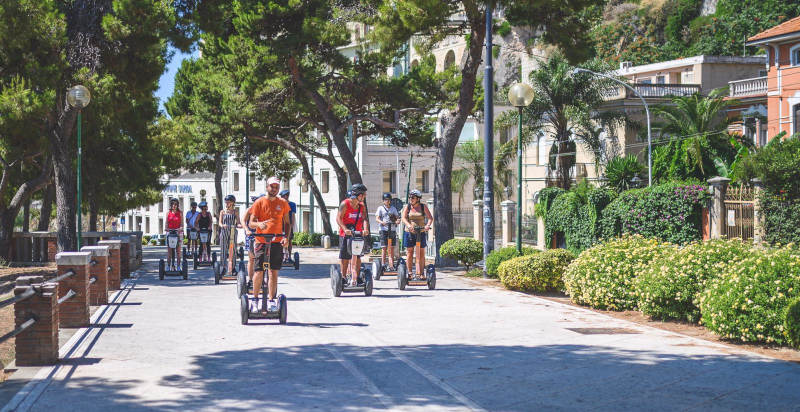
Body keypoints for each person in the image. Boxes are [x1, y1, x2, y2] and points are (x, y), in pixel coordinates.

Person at [248, 177, 290, 313]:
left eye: (276, 187)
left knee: (273, 272)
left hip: (276, 241)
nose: (274, 189)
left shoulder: (283, 203)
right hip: (261, 241)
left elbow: (287, 223)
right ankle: (255, 300)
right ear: (267, 187)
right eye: (272, 186)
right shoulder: (259, 202)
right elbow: (251, 223)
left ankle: (271, 300)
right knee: (259, 271)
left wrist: (286, 237)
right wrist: (258, 224)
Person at [337, 183, 370, 287]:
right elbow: (338, 218)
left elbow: (364, 219)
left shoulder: (361, 206)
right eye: (363, 195)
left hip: (358, 234)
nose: (364, 196)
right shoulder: (345, 204)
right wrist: (345, 229)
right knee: (345, 257)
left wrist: (365, 229)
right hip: (345, 235)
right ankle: (343, 277)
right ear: (358, 195)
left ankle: (357, 277)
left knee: (358, 256)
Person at [400, 189, 433, 278]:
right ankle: (410, 273)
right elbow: (403, 218)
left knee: (421, 253)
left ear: (418, 199)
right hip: (409, 232)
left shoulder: (423, 207)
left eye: (413, 197)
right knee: (409, 252)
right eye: (410, 197)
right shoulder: (408, 207)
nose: (411, 199)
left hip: (421, 232)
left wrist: (427, 226)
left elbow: (430, 218)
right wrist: (409, 225)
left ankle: (421, 273)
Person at [241, 194, 265, 289]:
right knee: (252, 258)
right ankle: (251, 280)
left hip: (262, 236)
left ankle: (262, 279)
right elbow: (243, 221)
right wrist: (247, 230)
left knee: (263, 259)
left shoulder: (265, 210)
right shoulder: (250, 209)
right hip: (251, 236)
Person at [218, 195, 242, 274]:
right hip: (224, 232)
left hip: (233, 231)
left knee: (233, 250)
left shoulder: (235, 212)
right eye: (226, 202)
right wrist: (222, 225)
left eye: (228, 202)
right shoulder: (223, 212)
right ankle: (223, 268)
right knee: (223, 250)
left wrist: (240, 226)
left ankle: (233, 268)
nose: (227, 203)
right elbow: (220, 223)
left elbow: (238, 222)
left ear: (232, 203)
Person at [376, 193, 399, 268]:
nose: (387, 201)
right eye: (386, 200)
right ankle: (383, 264)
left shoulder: (393, 208)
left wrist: (397, 221)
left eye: (389, 200)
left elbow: (397, 218)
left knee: (391, 247)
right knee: (384, 247)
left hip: (392, 229)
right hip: (383, 229)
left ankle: (391, 264)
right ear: (383, 201)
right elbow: (377, 218)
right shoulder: (380, 208)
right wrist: (382, 222)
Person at [164, 198, 184, 271]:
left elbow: (182, 224)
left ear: (177, 205)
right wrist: (166, 228)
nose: (174, 206)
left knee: (178, 251)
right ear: (171, 205)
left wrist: (180, 228)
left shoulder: (180, 213)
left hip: (177, 233)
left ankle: (178, 266)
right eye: (172, 204)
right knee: (169, 251)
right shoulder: (168, 213)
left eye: (175, 204)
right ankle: (168, 266)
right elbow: (166, 223)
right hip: (170, 232)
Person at [279, 189, 297, 262]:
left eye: (283, 196)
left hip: (288, 224)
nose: (282, 197)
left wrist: (291, 225)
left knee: (289, 240)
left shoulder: (292, 204)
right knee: (279, 240)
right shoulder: (279, 204)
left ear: (286, 196)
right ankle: (281, 256)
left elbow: (292, 215)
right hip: (280, 225)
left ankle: (289, 256)